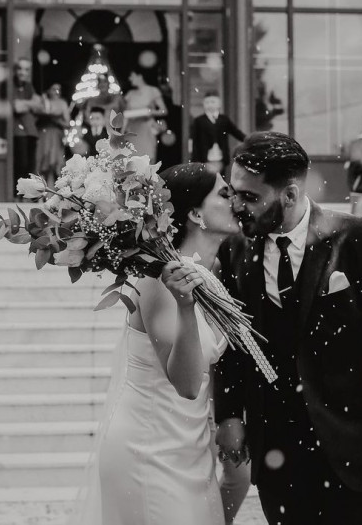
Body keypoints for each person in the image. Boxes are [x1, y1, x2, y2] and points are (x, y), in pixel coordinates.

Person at [216, 132, 362, 524]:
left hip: (352, 444)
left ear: (290, 195)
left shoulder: (359, 238)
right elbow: (234, 341)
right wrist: (228, 414)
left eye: (250, 197)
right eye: (233, 193)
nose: (237, 206)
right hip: (275, 448)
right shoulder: (234, 249)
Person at [71, 163, 242, 525]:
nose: (236, 200)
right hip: (149, 449)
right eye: (225, 193)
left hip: (190, 446)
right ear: (195, 214)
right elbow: (187, 383)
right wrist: (186, 307)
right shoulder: (159, 281)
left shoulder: (212, 273)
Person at [7, 58, 43, 194]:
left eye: (26, 69)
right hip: (18, 131)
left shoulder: (28, 86)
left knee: (30, 165)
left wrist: (26, 103)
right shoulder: (10, 85)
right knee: (21, 164)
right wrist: (31, 103)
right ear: (15, 70)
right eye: (20, 69)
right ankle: (17, 193)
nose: (23, 72)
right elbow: (17, 107)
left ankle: (26, 193)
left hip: (31, 131)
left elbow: (39, 106)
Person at [189, 92, 246, 175]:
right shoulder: (199, 121)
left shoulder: (224, 120)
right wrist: (195, 158)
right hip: (204, 157)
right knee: (207, 177)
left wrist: (249, 140)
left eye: (213, 102)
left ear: (219, 104)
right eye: (207, 102)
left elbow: (236, 132)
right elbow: (195, 140)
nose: (210, 105)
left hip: (220, 156)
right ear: (203, 104)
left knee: (220, 177)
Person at [123, 67, 167, 162]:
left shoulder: (152, 91)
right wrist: (121, 134)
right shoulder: (130, 94)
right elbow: (126, 115)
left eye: (132, 76)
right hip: (132, 131)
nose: (130, 79)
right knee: (131, 161)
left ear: (140, 76)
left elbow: (164, 111)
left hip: (147, 130)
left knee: (147, 160)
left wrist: (149, 112)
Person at [36, 83, 70, 187]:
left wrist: (56, 120)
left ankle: (57, 190)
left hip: (55, 136)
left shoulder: (62, 103)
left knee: (56, 163)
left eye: (58, 89)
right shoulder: (42, 102)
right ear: (48, 90)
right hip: (42, 135)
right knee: (42, 162)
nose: (56, 92)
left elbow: (67, 123)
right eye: (53, 89)